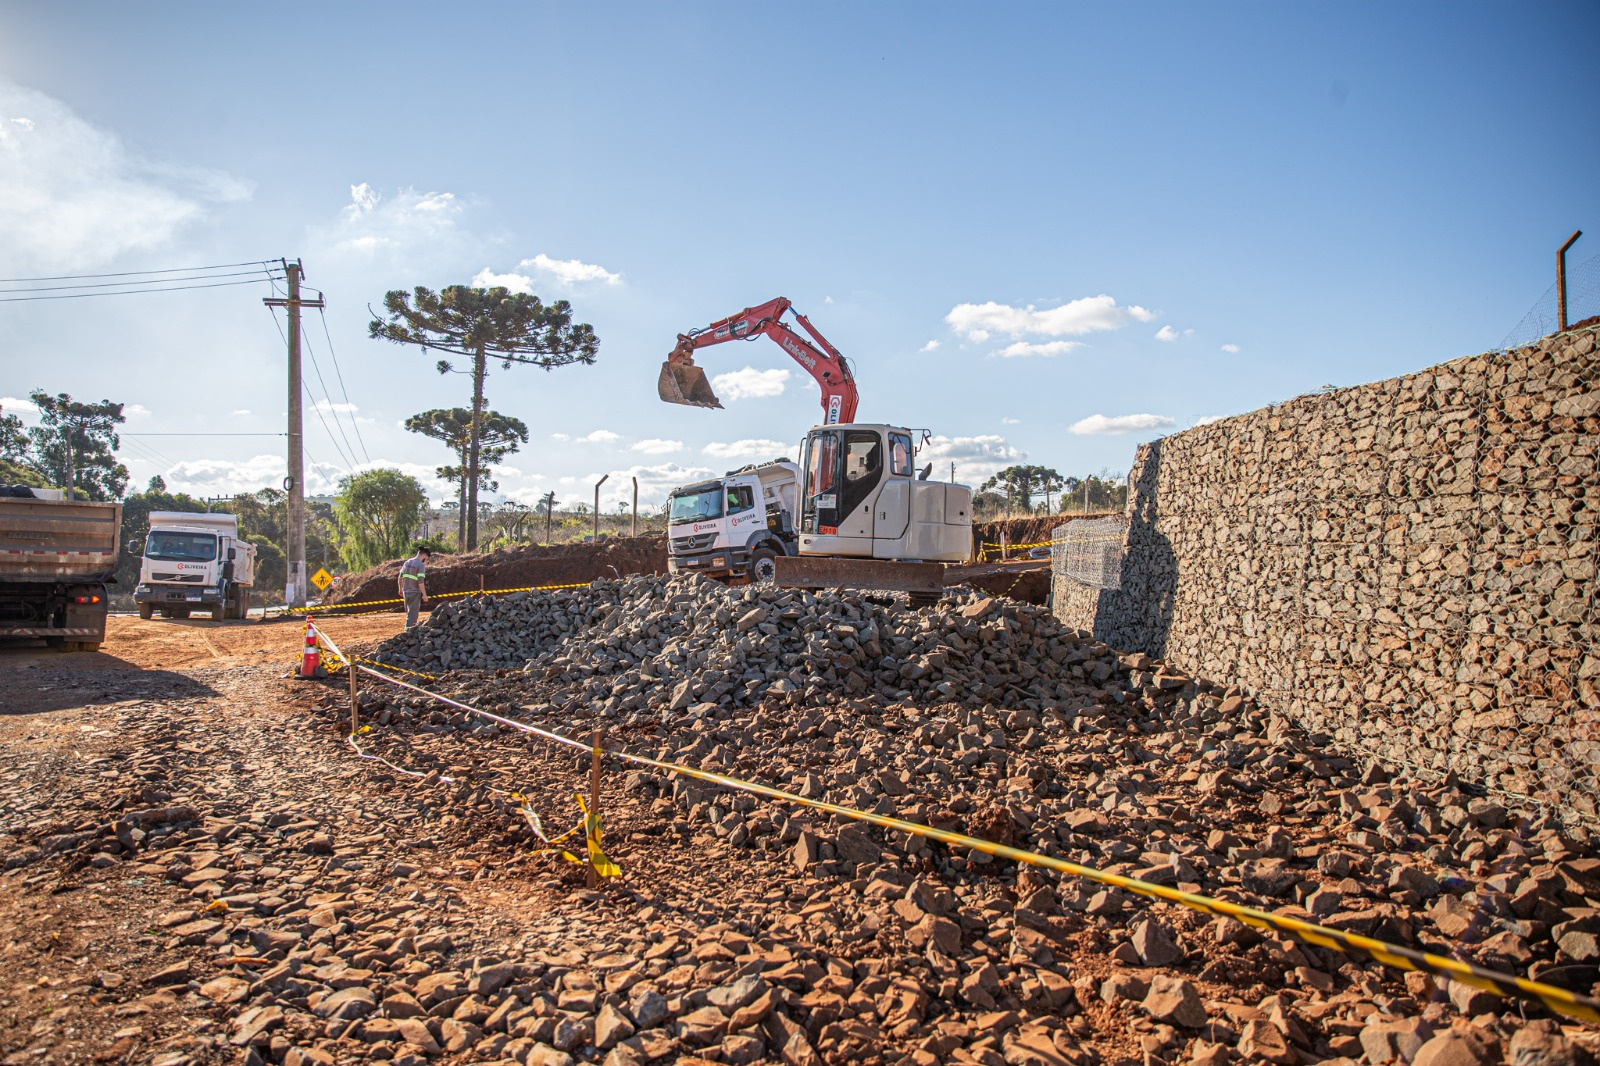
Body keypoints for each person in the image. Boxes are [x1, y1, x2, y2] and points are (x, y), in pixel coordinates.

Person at [399, 546, 431, 629]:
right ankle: (408, 633)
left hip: (405, 592)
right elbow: (420, 581)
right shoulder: (420, 565)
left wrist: (400, 589)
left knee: (409, 614)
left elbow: (400, 577)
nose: (426, 559)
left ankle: (408, 630)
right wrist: (424, 594)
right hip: (415, 593)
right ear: (424, 555)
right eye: (426, 557)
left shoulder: (407, 562)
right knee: (412, 616)